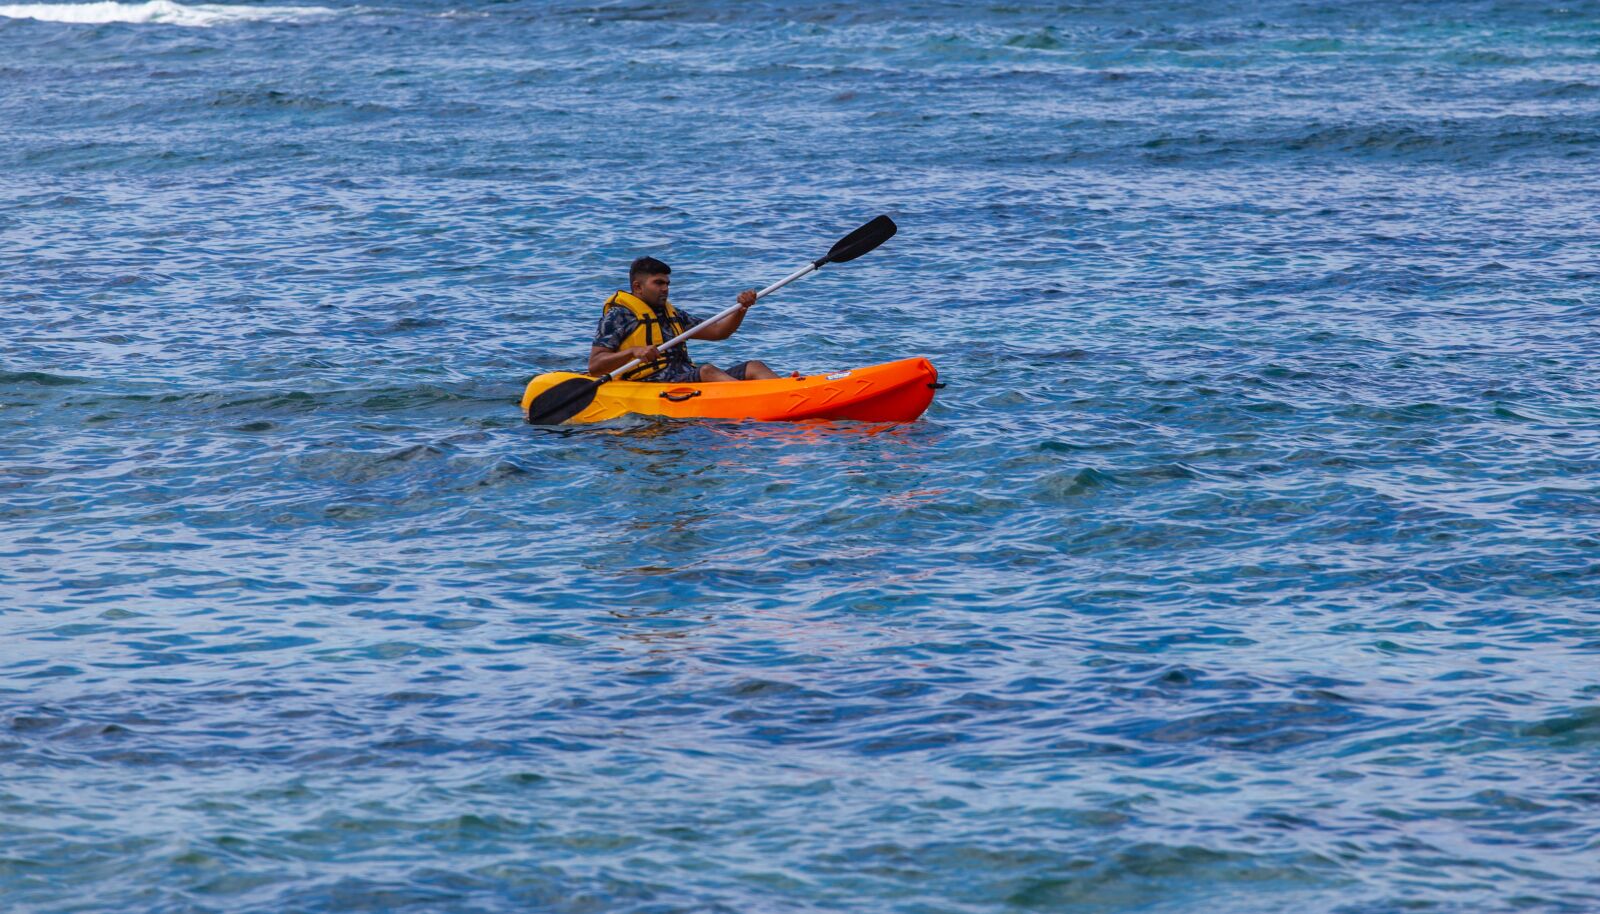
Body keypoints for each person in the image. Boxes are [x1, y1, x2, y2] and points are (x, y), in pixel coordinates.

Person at [588, 256, 789, 382]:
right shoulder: (618, 316)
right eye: (658, 283)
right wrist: (633, 352)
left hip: (683, 377)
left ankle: (784, 393)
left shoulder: (673, 314)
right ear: (638, 287)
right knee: (707, 371)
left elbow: (719, 332)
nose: (665, 288)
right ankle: (759, 401)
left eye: (667, 283)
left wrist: (742, 308)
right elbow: (595, 366)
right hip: (652, 383)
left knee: (754, 366)